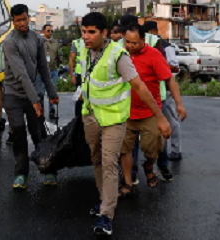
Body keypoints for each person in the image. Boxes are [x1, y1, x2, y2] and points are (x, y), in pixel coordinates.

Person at [79, 12, 171, 236]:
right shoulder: (84, 51)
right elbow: (88, 80)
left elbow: (140, 87)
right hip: (90, 116)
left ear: (104, 33)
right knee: (96, 159)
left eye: (91, 32)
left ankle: (106, 215)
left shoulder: (118, 55)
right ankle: (104, 201)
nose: (86, 37)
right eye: (83, 31)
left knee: (110, 162)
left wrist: (160, 116)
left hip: (114, 119)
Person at [118, 24, 187, 198]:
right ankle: (127, 182)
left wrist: (179, 103)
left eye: (134, 43)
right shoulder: (121, 55)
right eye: (128, 42)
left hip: (149, 112)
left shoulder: (154, 55)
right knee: (125, 149)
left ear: (143, 40)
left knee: (153, 148)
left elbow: (170, 80)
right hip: (125, 112)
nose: (130, 46)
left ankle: (148, 166)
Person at [2, 4, 59, 190]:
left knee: (38, 133)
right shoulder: (9, 42)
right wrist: (35, 101)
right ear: (13, 21)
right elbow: (21, 74)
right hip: (13, 94)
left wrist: (51, 93)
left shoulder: (37, 39)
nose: (22, 23)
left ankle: (48, 169)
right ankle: (21, 173)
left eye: (24, 19)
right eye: (17, 20)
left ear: (29, 18)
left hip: (33, 92)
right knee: (18, 130)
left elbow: (43, 68)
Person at [145, 21, 184, 163]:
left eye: (149, 32)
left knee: (172, 120)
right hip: (152, 91)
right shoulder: (145, 47)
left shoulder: (166, 47)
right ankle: (159, 152)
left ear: (154, 31)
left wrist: (159, 65)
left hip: (166, 90)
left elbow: (175, 68)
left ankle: (176, 150)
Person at [36, 24, 61, 120]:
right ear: (43, 32)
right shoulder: (39, 42)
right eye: (48, 31)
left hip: (53, 70)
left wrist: (58, 60)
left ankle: (52, 111)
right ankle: (41, 111)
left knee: (52, 92)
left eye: (51, 31)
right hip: (41, 71)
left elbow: (60, 56)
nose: (50, 33)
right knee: (41, 92)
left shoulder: (55, 43)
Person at [69, 35, 85, 117]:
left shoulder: (94, 42)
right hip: (79, 75)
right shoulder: (76, 42)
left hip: (91, 76)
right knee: (80, 100)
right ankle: (78, 121)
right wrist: (72, 76)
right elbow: (71, 60)